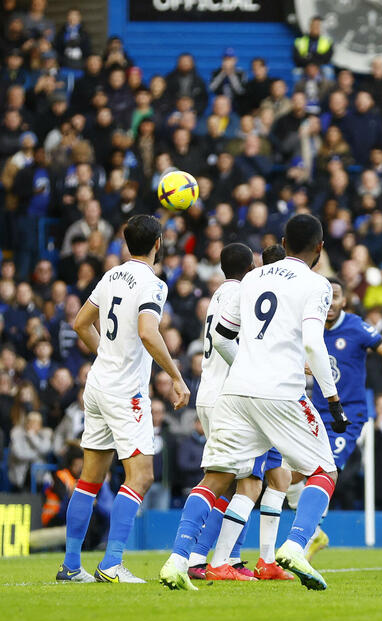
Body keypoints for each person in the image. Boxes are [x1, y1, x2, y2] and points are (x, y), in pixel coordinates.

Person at [158, 214, 350, 592]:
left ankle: (177, 560)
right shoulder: (317, 284)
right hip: (281, 392)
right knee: (325, 471)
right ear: (320, 248)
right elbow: (313, 341)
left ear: (282, 240)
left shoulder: (251, 278)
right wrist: (333, 399)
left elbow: (223, 334)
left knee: (215, 478)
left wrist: (249, 362)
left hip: (237, 391)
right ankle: (294, 546)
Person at [57, 215, 191, 584]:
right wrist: (176, 376)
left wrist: (106, 356)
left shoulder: (111, 275)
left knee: (90, 478)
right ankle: (111, 563)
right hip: (125, 391)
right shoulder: (153, 284)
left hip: (98, 386)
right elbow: (148, 332)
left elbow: (81, 323)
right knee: (142, 475)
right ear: (158, 243)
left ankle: (71, 566)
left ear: (125, 242)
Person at [185, 242, 295, 582]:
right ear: (251, 267)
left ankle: (228, 557)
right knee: (233, 482)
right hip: (231, 396)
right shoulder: (244, 293)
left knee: (245, 480)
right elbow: (224, 339)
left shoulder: (219, 294)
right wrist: (251, 370)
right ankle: (196, 557)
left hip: (213, 390)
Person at [297, 276, 382, 560]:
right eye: (327, 297)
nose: (331, 303)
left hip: (348, 416)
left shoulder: (357, 327)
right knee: (292, 475)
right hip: (314, 413)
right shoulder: (308, 329)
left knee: (325, 468)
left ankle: (308, 534)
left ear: (345, 300)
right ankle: (313, 533)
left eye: (336, 296)